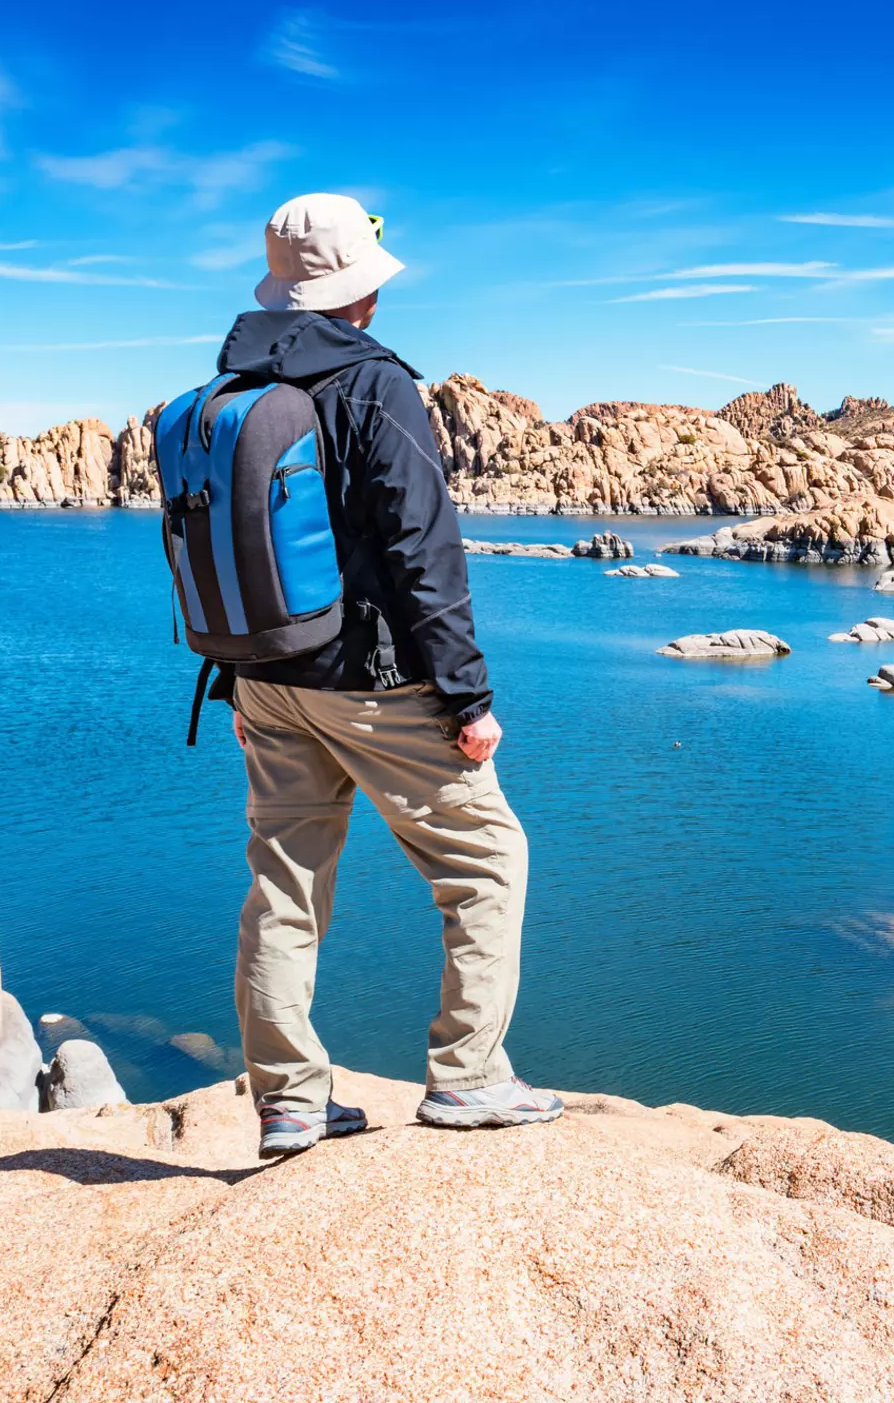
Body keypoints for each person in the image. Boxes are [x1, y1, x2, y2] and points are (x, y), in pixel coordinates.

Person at [212, 193, 560, 1158]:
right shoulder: (374, 385)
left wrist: (233, 682)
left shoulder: (230, 385)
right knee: (487, 864)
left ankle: (287, 1099)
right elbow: (424, 552)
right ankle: (468, 1078)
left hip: (267, 678)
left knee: (283, 886)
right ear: (360, 288)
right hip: (376, 682)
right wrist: (468, 697)